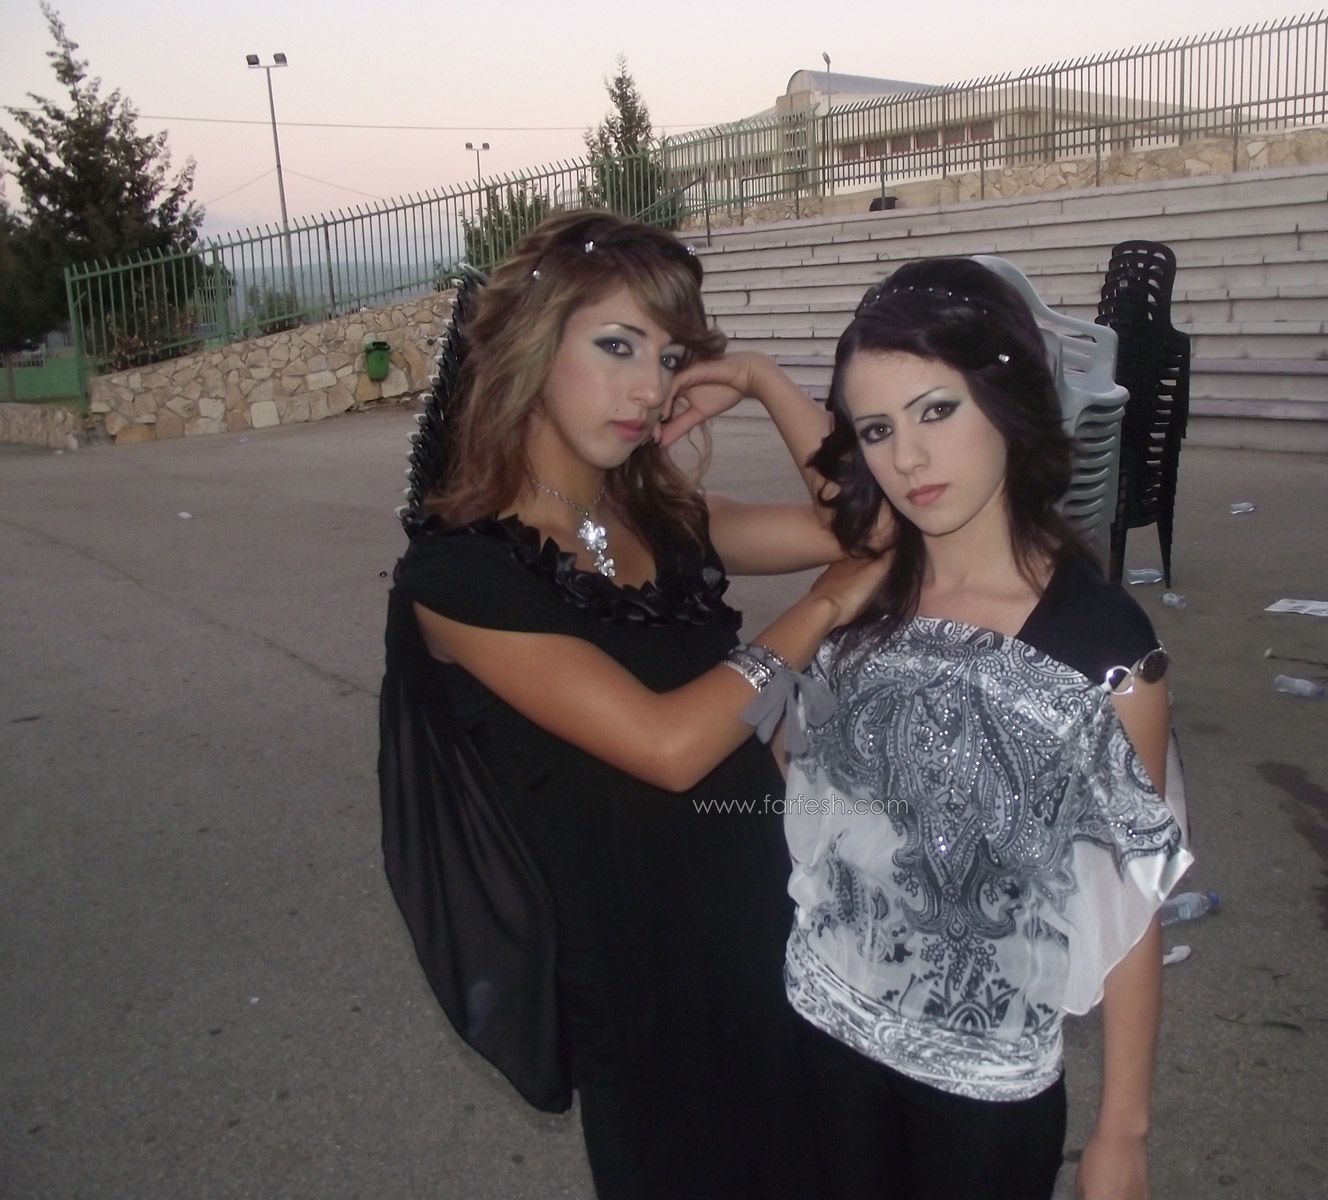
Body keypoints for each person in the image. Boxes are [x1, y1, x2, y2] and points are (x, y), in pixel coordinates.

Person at [377, 210, 885, 1200]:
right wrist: (823, 607)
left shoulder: (664, 517)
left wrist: (760, 379)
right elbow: (668, 746)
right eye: (617, 346)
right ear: (534, 345)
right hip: (646, 983)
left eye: (670, 358)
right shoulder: (460, 577)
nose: (650, 389)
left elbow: (863, 530)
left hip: (774, 921)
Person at [779, 258, 1194, 1200]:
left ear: (1008, 401)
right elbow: (810, 794)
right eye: (877, 430)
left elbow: (1130, 900)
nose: (908, 460)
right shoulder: (859, 600)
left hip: (984, 1081)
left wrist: (1121, 1133)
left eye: (937, 411)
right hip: (820, 1024)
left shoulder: (1103, 648)